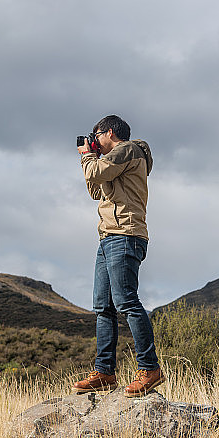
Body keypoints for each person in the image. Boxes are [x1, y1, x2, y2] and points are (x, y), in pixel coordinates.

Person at [73, 114, 164, 398]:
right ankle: (104, 373)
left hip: (125, 234)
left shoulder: (129, 149)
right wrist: (92, 158)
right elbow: (93, 189)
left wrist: (88, 157)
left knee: (126, 302)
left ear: (109, 131)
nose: (94, 139)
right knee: (103, 307)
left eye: (96, 134)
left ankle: (150, 369)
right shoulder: (111, 162)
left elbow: (93, 174)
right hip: (108, 236)